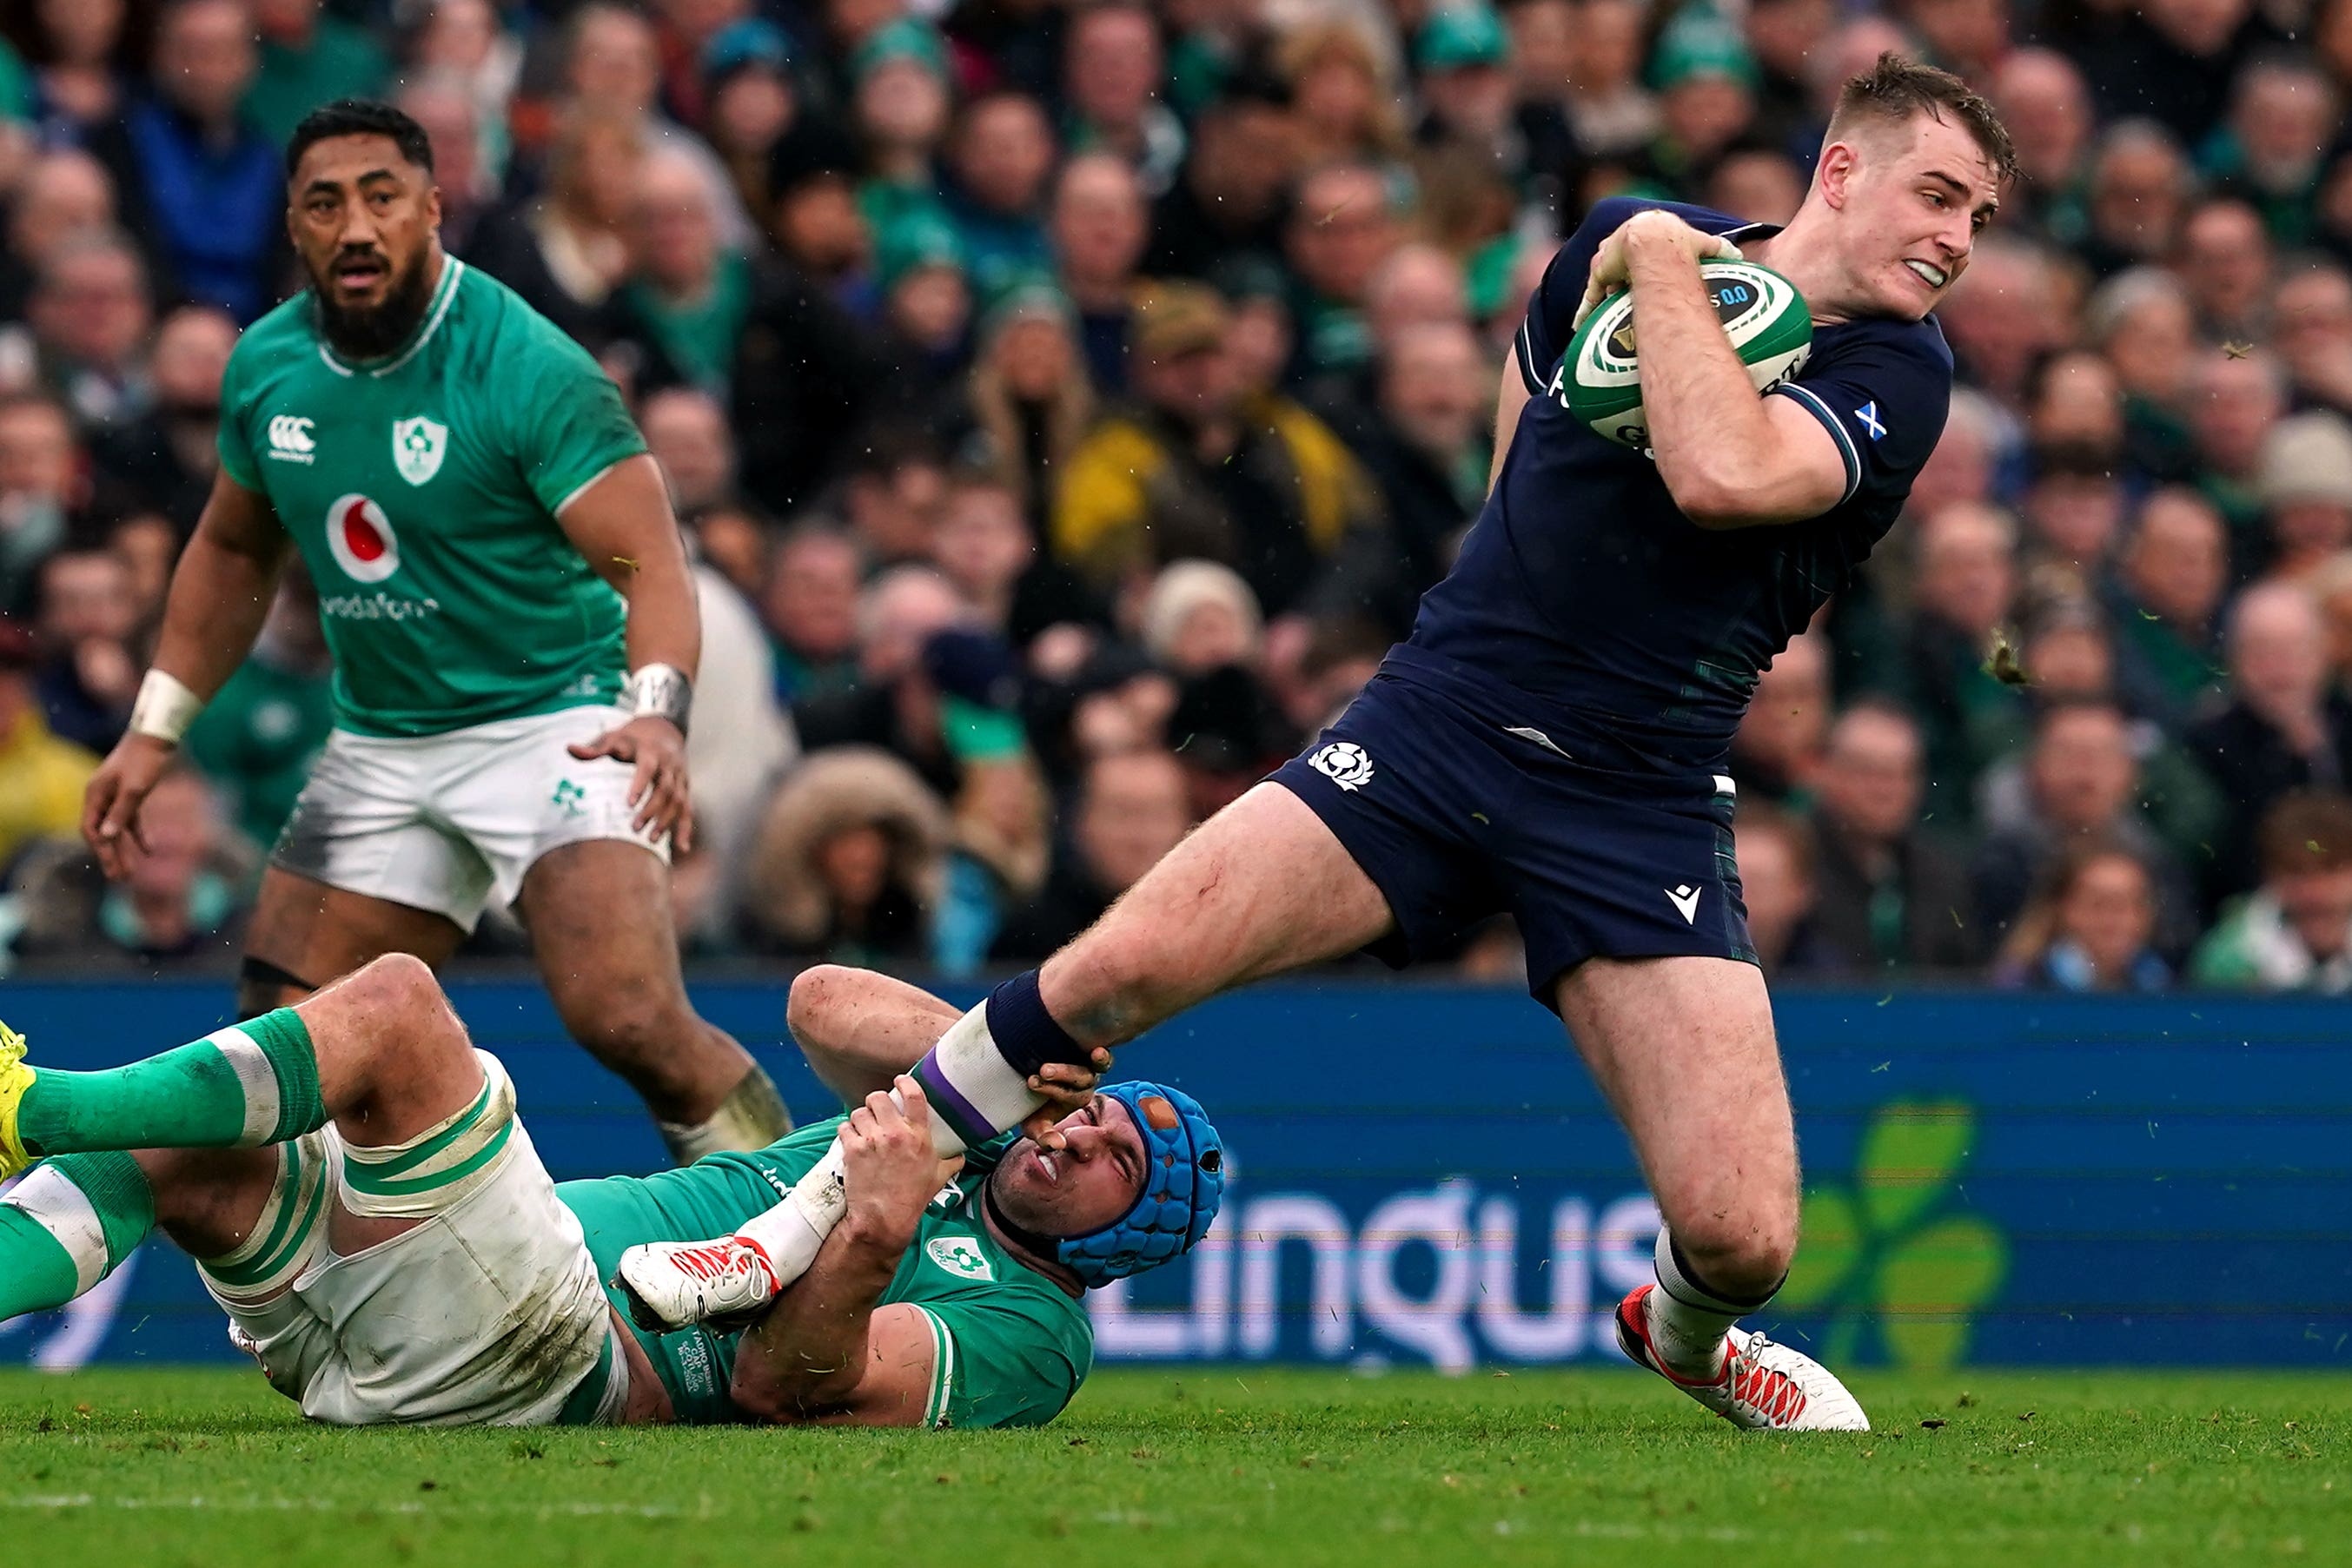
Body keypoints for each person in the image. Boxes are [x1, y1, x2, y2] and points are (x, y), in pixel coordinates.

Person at [624, 52, 2013, 1437]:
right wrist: (1510, 560)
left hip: (1634, 792)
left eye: (1978, 218)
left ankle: (1685, 1331)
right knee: (1116, 970)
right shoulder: (1625, 241)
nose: (1955, 241)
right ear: (1839, 171)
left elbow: (1721, 476)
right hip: (1439, 724)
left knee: (1742, 1234)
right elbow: (1527, 396)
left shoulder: (1892, 363)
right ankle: (784, 1232)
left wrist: (1656, 251)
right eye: (1938, 196)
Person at [76, 101, 790, 1166]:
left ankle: (801, 1232)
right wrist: (153, 729)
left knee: (625, 1017)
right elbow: (232, 554)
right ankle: (339, 1300)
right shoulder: (267, 370)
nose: (356, 226)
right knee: (279, 1040)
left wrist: (656, 714)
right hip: (385, 741)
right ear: (295, 225)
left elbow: (649, 561)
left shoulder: (530, 367)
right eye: (326, 203)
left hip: (561, 716)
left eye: (382, 198)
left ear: (433, 209)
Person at [0, 954, 1223, 1429]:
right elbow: (817, 1004)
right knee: (166, 1151)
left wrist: (873, 1225)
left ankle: (26, 1103)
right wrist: (993, 1072)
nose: (1075, 1141)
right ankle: (55, 1124)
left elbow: (783, 1385)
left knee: (398, 1011)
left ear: (1127, 1236)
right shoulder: (941, 1140)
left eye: (1111, 1159)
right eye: (1089, 1117)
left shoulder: (1034, 1333)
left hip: (562, 1345)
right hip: (437, 1306)